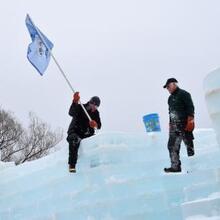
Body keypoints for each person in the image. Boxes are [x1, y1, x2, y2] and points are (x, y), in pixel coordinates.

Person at [163, 78, 195, 173]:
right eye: (166, 88)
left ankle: (193, 167)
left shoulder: (184, 94)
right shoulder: (170, 99)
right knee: (172, 146)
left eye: (168, 86)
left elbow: (190, 107)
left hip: (185, 124)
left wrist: (191, 120)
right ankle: (175, 166)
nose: (168, 89)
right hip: (174, 126)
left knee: (189, 146)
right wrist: (170, 123)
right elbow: (171, 112)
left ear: (174, 84)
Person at [67, 92, 102, 173]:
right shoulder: (80, 107)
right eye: (94, 104)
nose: (94, 107)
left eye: (96, 106)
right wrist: (75, 102)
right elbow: (71, 113)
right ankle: (72, 165)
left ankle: (94, 165)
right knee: (74, 140)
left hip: (87, 134)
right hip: (75, 132)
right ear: (90, 102)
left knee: (95, 143)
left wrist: (95, 124)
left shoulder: (96, 113)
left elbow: (99, 126)